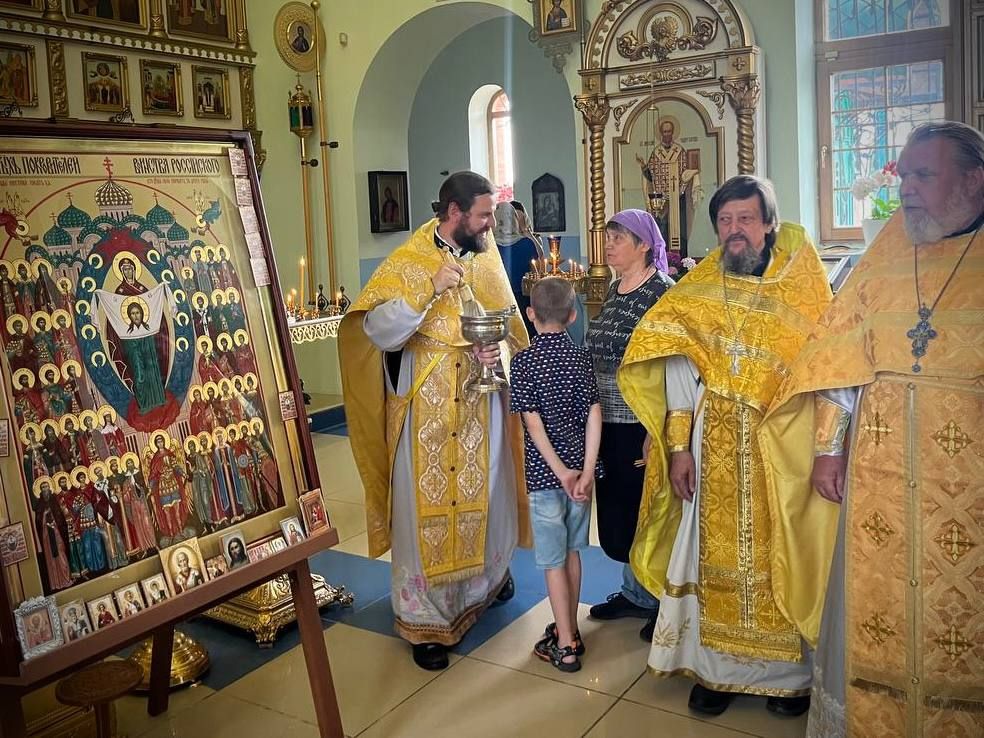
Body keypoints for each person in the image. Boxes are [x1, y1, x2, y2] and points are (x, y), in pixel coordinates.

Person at [763, 121, 984, 737]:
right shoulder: (881, 258)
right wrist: (828, 449)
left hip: (969, 483)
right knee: (876, 601)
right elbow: (839, 363)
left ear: (974, 180)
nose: (906, 189)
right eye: (903, 175)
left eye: (923, 175)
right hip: (879, 478)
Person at [618, 175, 832, 716]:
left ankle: (790, 679)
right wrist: (678, 449)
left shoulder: (803, 285)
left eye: (746, 219)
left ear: (769, 223)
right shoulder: (698, 290)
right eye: (725, 221)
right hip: (712, 448)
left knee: (783, 551)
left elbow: (829, 372)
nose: (735, 230)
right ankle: (716, 672)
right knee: (709, 558)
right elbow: (677, 370)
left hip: (782, 449)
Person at [339, 171, 530, 671]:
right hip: (426, 407)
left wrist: (495, 354)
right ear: (454, 212)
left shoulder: (487, 258)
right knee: (420, 505)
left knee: (488, 491)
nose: (491, 225)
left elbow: (508, 330)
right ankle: (424, 619)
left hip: (480, 406)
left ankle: (486, 584)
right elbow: (377, 331)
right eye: (484, 215)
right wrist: (427, 289)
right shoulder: (409, 260)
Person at [584, 209, 672, 640]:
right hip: (610, 422)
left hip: (643, 421)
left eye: (618, 237)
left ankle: (662, 601)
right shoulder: (615, 288)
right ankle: (635, 592)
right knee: (620, 508)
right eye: (608, 236)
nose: (609, 244)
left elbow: (672, 365)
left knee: (649, 512)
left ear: (644, 245)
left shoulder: (663, 293)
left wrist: (659, 431)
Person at [509, 277, 602, 673]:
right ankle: (572, 629)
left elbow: (533, 426)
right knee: (572, 552)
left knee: (552, 560)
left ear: (531, 314)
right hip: (581, 476)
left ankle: (564, 645)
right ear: (573, 315)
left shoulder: (524, 362)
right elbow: (594, 415)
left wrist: (560, 472)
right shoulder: (581, 358)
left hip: (547, 477)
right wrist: (586, 470)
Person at [493, 201, 543, 336]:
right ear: (514, 219)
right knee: (526, 335)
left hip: (499, 300)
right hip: (523, 299)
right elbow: (537, 273)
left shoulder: (489, 246)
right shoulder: (526, 243)